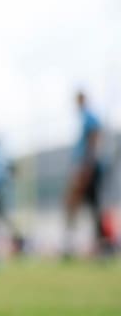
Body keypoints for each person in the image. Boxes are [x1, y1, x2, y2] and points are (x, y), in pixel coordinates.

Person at [64, 91, 109, 256]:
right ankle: (94, 243)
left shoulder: (90, 117)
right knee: (89, 205)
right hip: (86, 167)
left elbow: (94, 140)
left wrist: (86, 167)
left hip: (88, 168)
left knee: (83, 204)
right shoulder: (84, 118)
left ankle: (101, 244)